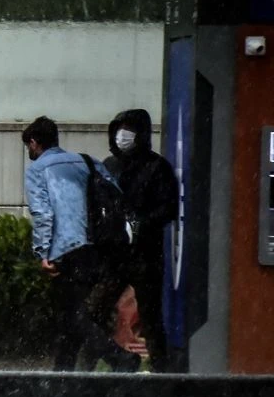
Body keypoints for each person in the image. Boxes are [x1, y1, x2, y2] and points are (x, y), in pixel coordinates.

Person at [21, 116, 141, 373]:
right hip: (95, 248)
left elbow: (42, 213)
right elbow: (116, 197)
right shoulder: (86, 161)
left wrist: (43, 252)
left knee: (76, 317)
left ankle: (120, 359)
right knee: (70, 316)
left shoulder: (37, 169)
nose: (29, 152)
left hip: (65, 249)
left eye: (28, 146)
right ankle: (61, 375)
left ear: (34, 142)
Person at [92, 108, 177, 370]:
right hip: (114, 254)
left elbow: (168, 208)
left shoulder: (157, 167)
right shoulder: (109, 166)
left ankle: (162, 372)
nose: (122, 135)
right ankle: (96, 364)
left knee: (151, 318)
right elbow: (98, 202)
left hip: (146, 256)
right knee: (94, 312)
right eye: (119, 128)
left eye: (128, 128)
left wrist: (141, 223)